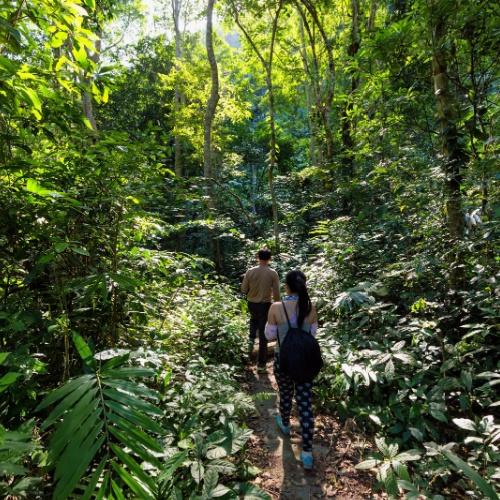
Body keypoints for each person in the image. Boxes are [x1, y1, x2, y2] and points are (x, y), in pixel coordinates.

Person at [264, 270, 318, 470]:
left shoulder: (276, 307)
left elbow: (269, 336)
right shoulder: (310, 307)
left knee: (286, 394)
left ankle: (285, 424)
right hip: (305, 362)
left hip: (283, 361)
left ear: (286, 286)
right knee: (304, 402)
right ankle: (307, 453)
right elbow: (312, 334)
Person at [241, 248, 281, 371]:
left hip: (252, 303)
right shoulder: (272, 273)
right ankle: (261, 365)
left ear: (257, 258)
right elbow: (276, 293)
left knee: (253, 321)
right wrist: (277, 305)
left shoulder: (250, 271)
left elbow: (243, 289)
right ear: (269, 259)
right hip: (265, 304)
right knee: (264, 333)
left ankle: (250, 345)